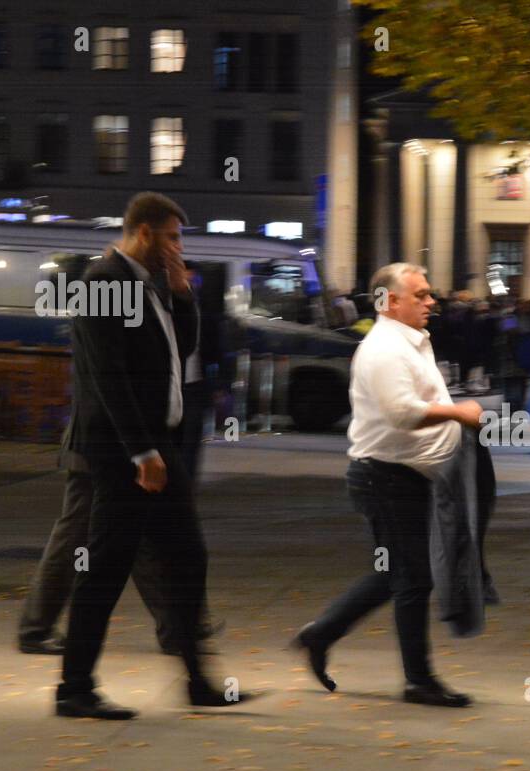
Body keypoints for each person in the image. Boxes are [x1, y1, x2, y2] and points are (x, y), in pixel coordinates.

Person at [57, 192, 263, 718]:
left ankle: (197, 680)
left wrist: (182, 295)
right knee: (105, 565)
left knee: (187, 557)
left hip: (154, 443)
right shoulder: (103, 283)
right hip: (123, 450)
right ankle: (73, 688)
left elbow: (181, 350)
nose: (178, 247)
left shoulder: (148, 284)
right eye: (172, 236)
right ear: (144, 233)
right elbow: (109, 378)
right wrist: (142, 452)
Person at [293, 262, 484, 707]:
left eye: (428, 293)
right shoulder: (384, 349)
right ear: (390, 301)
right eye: (420, 295)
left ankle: (320, 635)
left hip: (399, 476)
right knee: (413, 578)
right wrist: (460, 414)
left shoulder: (409, 343)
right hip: (385, 479)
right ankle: (418, 681)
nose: (431, 301)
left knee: (393, 574)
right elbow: (402, 411)